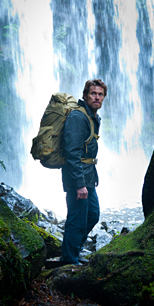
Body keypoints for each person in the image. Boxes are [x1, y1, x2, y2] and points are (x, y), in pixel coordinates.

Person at [60, 78, 107, 266]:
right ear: (85, 95)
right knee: (77, 218)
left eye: (100, 94)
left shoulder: (93, 117)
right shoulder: (78, 117)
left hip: (88, 176)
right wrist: (80, 184)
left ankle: (74, 251)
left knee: (92, 215)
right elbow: (72, 153)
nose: (97, 97)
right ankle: (69, 262)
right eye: (93, 94)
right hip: (77, 178)